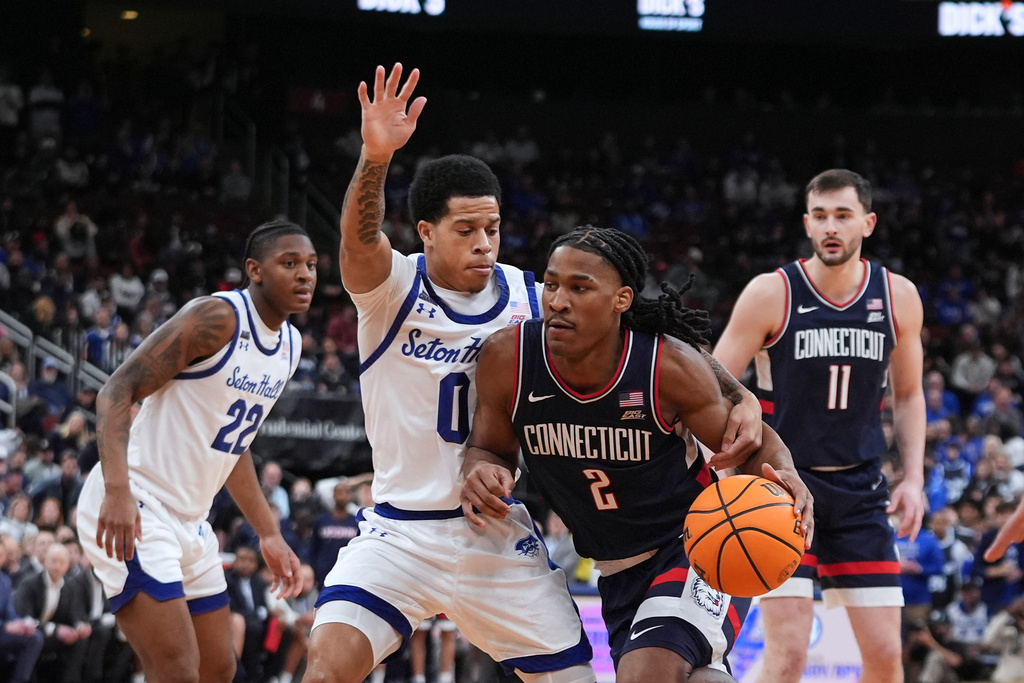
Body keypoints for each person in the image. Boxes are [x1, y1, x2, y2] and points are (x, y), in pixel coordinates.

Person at [306, 64, 764, 683]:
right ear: (426, 232)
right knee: (327, 666)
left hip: (497, 536)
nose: (484, 242)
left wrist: (736, 392)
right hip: (399, 534)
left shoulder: (534, 297)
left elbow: (648, 336)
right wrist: (376, 156)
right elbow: (358, 244)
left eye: (492, 228)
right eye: (466, 230)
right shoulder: (392, 290)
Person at [461, 226, 811, 682]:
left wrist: (784, 472)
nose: (559, 301)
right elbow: (489, 448)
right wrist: (482, 469)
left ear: (621, 299)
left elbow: (752, 443)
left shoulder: (665, 367)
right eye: (552, 284)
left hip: (696, 545)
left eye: (580, 288)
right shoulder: (510, 358)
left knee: (647, 673)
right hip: (614, 571)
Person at [75, 218, 315, 683]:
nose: (305, 274)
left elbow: (233, 444)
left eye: (311, 264)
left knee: (218, 669)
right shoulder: (217, 318)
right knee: (177, 670)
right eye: (289, 264)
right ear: (255, 270)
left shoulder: (290, 345)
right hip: (137, 502)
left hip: (191, 520)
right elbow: (115, 391)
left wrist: (268, 533)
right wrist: (118, 491)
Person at [713, 168, 926, 683]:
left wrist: (915, 478)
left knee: (886, 657)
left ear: (867, 223)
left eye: (844, 216)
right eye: (821, 216)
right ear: (807, 224)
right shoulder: (772, 293)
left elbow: (909, 395)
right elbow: (713, 384)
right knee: (788, 655)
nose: (832, 227)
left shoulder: (897, 296)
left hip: (860, 491)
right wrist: (728, 469)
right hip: (781, 489)